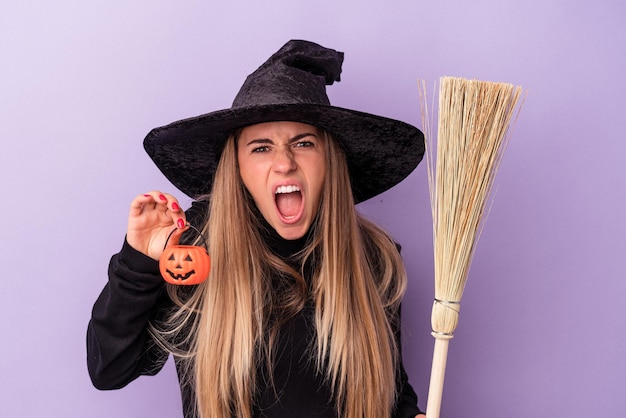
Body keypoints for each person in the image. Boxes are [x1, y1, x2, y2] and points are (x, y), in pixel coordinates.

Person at [87, 39, 427, 418]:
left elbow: (388, 390)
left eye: (303, 143)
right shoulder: (195, 248)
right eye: (261, 148)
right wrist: (138, 265)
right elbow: (109, 369)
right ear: (237, 168)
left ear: (329, 159)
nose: (284, 163)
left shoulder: (373, 256)